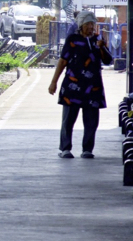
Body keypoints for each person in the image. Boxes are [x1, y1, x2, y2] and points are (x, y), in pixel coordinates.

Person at [48, 10, 112, 159]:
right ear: (81, 25)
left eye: (93, 24)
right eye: (88, 24)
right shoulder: (72, 40)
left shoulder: (98, 40)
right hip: (73, 86)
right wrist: (53, 82)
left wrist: (102, 47)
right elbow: (63, 61)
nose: (91, 27)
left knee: (91, 120)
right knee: (68, 119)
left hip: (93, 87)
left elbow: (108, 60)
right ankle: (65, 148)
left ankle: (87, 149)